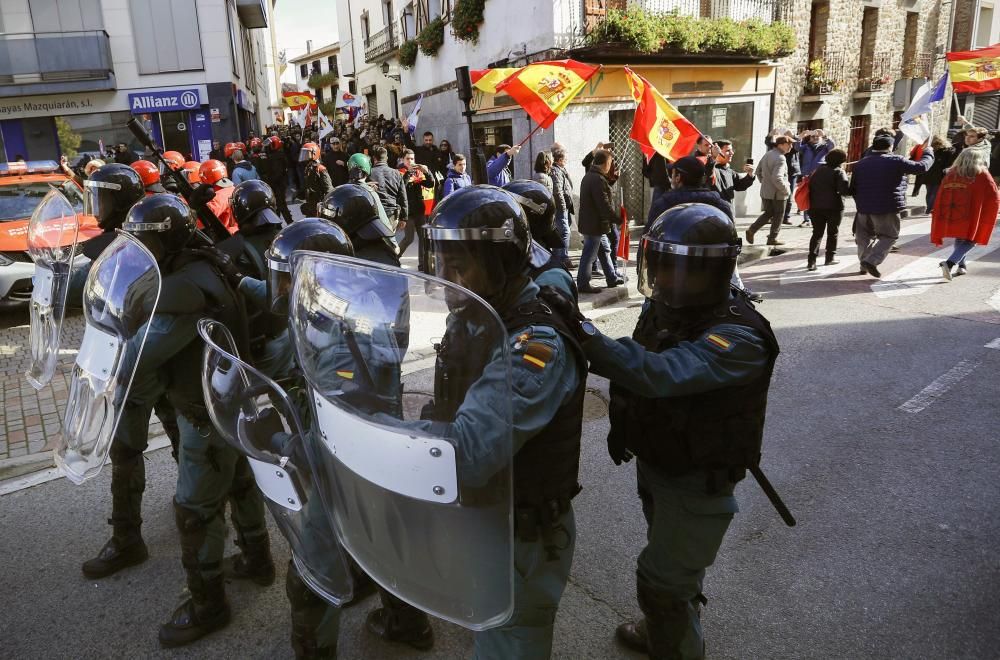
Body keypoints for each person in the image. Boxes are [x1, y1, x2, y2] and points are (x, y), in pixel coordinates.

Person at [352, 185, 586, 658]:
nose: (445, 277)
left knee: (508, 642)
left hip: (523, 533)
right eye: (441, 262)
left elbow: (468, 451)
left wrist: (377, 439)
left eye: (459, 265)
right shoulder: (479, 314)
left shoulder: (534, 345)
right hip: (490, 514)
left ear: (501, 263)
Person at [539, 202, 780, 660]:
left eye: (680, 270)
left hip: (698, 480)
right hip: (661, 459)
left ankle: (674, 639)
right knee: (673, 563)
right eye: (660, 267)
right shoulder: (669, 305)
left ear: (715, 272)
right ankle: (667, 627)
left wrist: (582, 329)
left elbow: (658, 372)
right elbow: (639, 353)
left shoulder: (740, 337)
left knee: (662, 583)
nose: (667, 280)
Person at [74, 165, 185, 580]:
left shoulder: (150, 231)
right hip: (128, 359)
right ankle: (126, 538)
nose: (96, 207)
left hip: (152, 357)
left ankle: (191, 505)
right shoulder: (117, 241)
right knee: (127, 448)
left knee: (173, 437)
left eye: (102, 197)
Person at [850, 134, 934, 278]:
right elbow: (921, 167)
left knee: (864, 236)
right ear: (890, 147)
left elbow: (853, 187)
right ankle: (871, 261)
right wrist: (928, 152)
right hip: (886, 206)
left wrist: (860, 202)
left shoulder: (861, 163)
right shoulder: (896, 160)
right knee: (889, 236)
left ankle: (864, 262)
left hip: (864, 207)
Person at [931, 148, 999, 280]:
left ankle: (962, 266)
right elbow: (993, 194)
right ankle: (950, 263)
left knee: (961, 238)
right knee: (972, 240)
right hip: (973, 212)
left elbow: (942, 193)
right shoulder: (982, 173)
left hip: (955, 213)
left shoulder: (951, 173)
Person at [577, 149, 623, 294]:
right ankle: (583, 283)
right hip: (594, 225)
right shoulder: (597, 179)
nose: (610, 166)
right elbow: (603, 205)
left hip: (594, 224)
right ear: (605, 163)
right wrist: (617, 219)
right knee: (589, 255)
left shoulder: (591, 176)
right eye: (610, 163)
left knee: (604, 251)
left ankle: (611, 277)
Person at [805, 148, 851, 271]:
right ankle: (829, 258)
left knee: (817, 233)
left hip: (815, 206)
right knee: (833, 233)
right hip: (834, 207)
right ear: (841, 161)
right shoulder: (839, 172)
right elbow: (844, 191)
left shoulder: (817, 170)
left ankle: (811, 261)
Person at [745, 135, 793, 246]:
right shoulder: (780, 157)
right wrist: (786, 190)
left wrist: (765, 183)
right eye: (788, 144)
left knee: (768, 213)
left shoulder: (768, 154)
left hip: (767, 191)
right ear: (780, 145)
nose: (791, 146)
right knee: (778, 215)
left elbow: (758, 171)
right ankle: (772, 238)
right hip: (778, 193)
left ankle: (752, 230)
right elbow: (777, 178)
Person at [397, 149, 435, 261]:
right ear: (403, 160)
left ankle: (422, 264)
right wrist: (408, 172)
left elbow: (430, 184)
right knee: (409, 238)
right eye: (408, 159)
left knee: (423, 238)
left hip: (419, 210)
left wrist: (427, 172)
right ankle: (394, 257)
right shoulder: (400, 172)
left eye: (412, 159)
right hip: (407, 211)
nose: (410, 161)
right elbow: (401, 187)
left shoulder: (418, 172)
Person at [798, 129, 836, 227]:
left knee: (817, 196)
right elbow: (796, 147)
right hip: (807, 175)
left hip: (820, 176)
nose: (815, 138)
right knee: (807, 196)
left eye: (817, 136)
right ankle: (806, 219)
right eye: (812, 136)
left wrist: (825, 135)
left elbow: (833, 146)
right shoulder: (806, 147)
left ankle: (817, 216)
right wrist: (801, 136)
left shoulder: (825, 147)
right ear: (809, 138)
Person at [196, 159, 240, 233]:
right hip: (238, 233)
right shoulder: (235, 189)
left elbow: (201, 221)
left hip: (225, 238)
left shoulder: (217, 197)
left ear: (204, 177)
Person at [369, 146, 408, 226]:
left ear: (374, 158)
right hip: (392, 214)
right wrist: (404, 218)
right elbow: (403, 197)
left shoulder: (369, 173)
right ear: (386, 158)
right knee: (390, 237)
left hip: (375, 214)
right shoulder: (396, 173)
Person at [550, 145, 575, 263]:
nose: (566, 161)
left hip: (566, 207)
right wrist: (563, 207)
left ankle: (558, 257)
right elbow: (558, 191)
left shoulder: (561, 170)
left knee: (561, 232)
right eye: (565, 159)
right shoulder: (555, 171)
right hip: (561, 208)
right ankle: (562, 259)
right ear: (560, 160)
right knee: (564, 232)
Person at [711, 139, 755, 204]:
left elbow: (740, 185)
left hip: (728, 210)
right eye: (728, 151)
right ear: (718, 152)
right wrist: (714, 158)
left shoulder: (729, 171)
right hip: (715, 211)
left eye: (732, 150)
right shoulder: (711, 169)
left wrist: (750, 174)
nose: (732, 153)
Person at [922, 136, 956, 213]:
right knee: (933, 193)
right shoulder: (947, 151)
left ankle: (930, 208)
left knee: (931, 193)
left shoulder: (931, 150)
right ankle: (930, 209)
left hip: (931, 175)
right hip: (938, 175)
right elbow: (949, 163)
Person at [299, 141, 333, 217]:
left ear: (314, 153)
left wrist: (326, 209)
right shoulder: (308, 168)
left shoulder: (320, 169)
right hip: (311, 205)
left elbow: (329, 189)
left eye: (307, 153)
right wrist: (300, 193)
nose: (305, 156)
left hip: (319, 207)